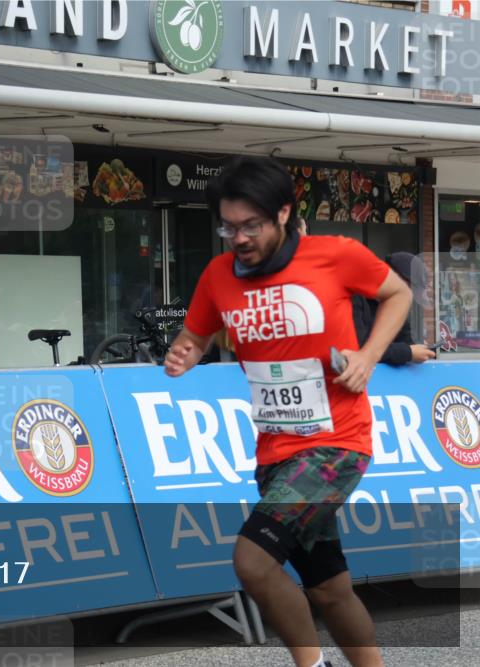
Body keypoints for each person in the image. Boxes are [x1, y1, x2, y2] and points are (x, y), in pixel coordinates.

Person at [164, 156, 410, 667]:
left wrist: (367, 356)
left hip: (335, 445)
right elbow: (196, 333)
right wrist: (184, 352)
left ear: (282, 214)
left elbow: (397, 293)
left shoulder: (336, 255)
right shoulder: (218, 275)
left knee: (252, 562)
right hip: (276, 451)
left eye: (250, 226)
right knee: (328, 589)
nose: (239, 238)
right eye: (228, 227)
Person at [352, 252, 436, 365]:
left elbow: (406, 339)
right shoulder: (354, 297)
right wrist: (408, 353)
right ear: (391, 275)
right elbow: (360, 347)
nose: (409, 294)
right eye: (408, 286)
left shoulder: (397, 305)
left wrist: (420, 350)